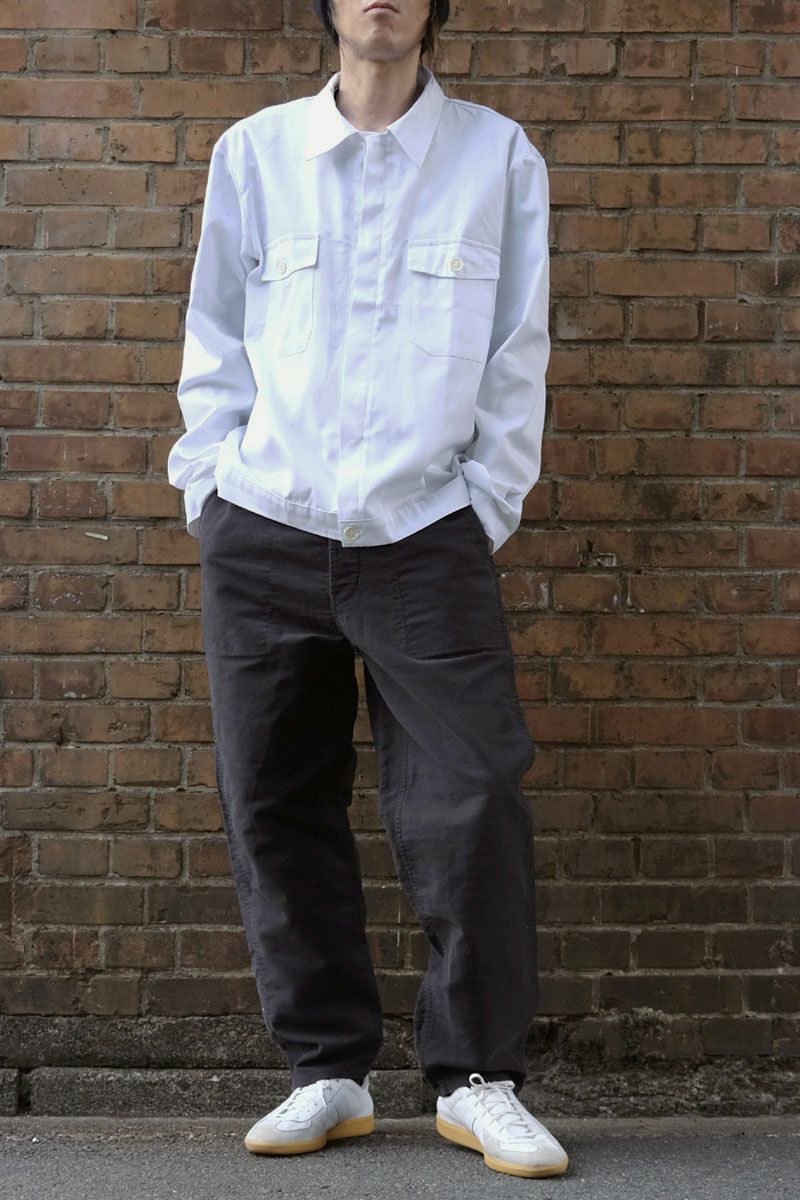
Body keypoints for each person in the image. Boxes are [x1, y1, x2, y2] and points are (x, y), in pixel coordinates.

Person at [167, 0, 567, 1180]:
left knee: (471, 794)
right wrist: (209, 488)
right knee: (274, 801)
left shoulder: (495, 157)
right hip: (267, 524)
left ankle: (476, 1077)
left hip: (425, 533)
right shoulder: (255, 155)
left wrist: (482, 506)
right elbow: (215, 336)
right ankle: (326, 1071)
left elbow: (516, 348)